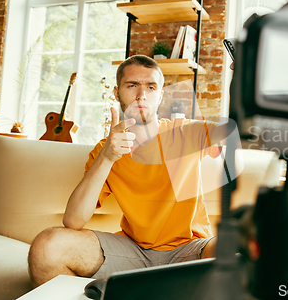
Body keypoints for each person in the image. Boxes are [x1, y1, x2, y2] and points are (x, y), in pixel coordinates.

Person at [28, 55, 228, 286]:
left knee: (240, 249)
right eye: (132, 85)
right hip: (132, 251)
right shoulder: (105, 150)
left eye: (151, 87)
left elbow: (240, 132)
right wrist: (107, 157)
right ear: (116, 92)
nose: (141, 95)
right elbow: (73, 220)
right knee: (46, 247)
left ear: (160, 95)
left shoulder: (187, 132)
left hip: (190, 250)